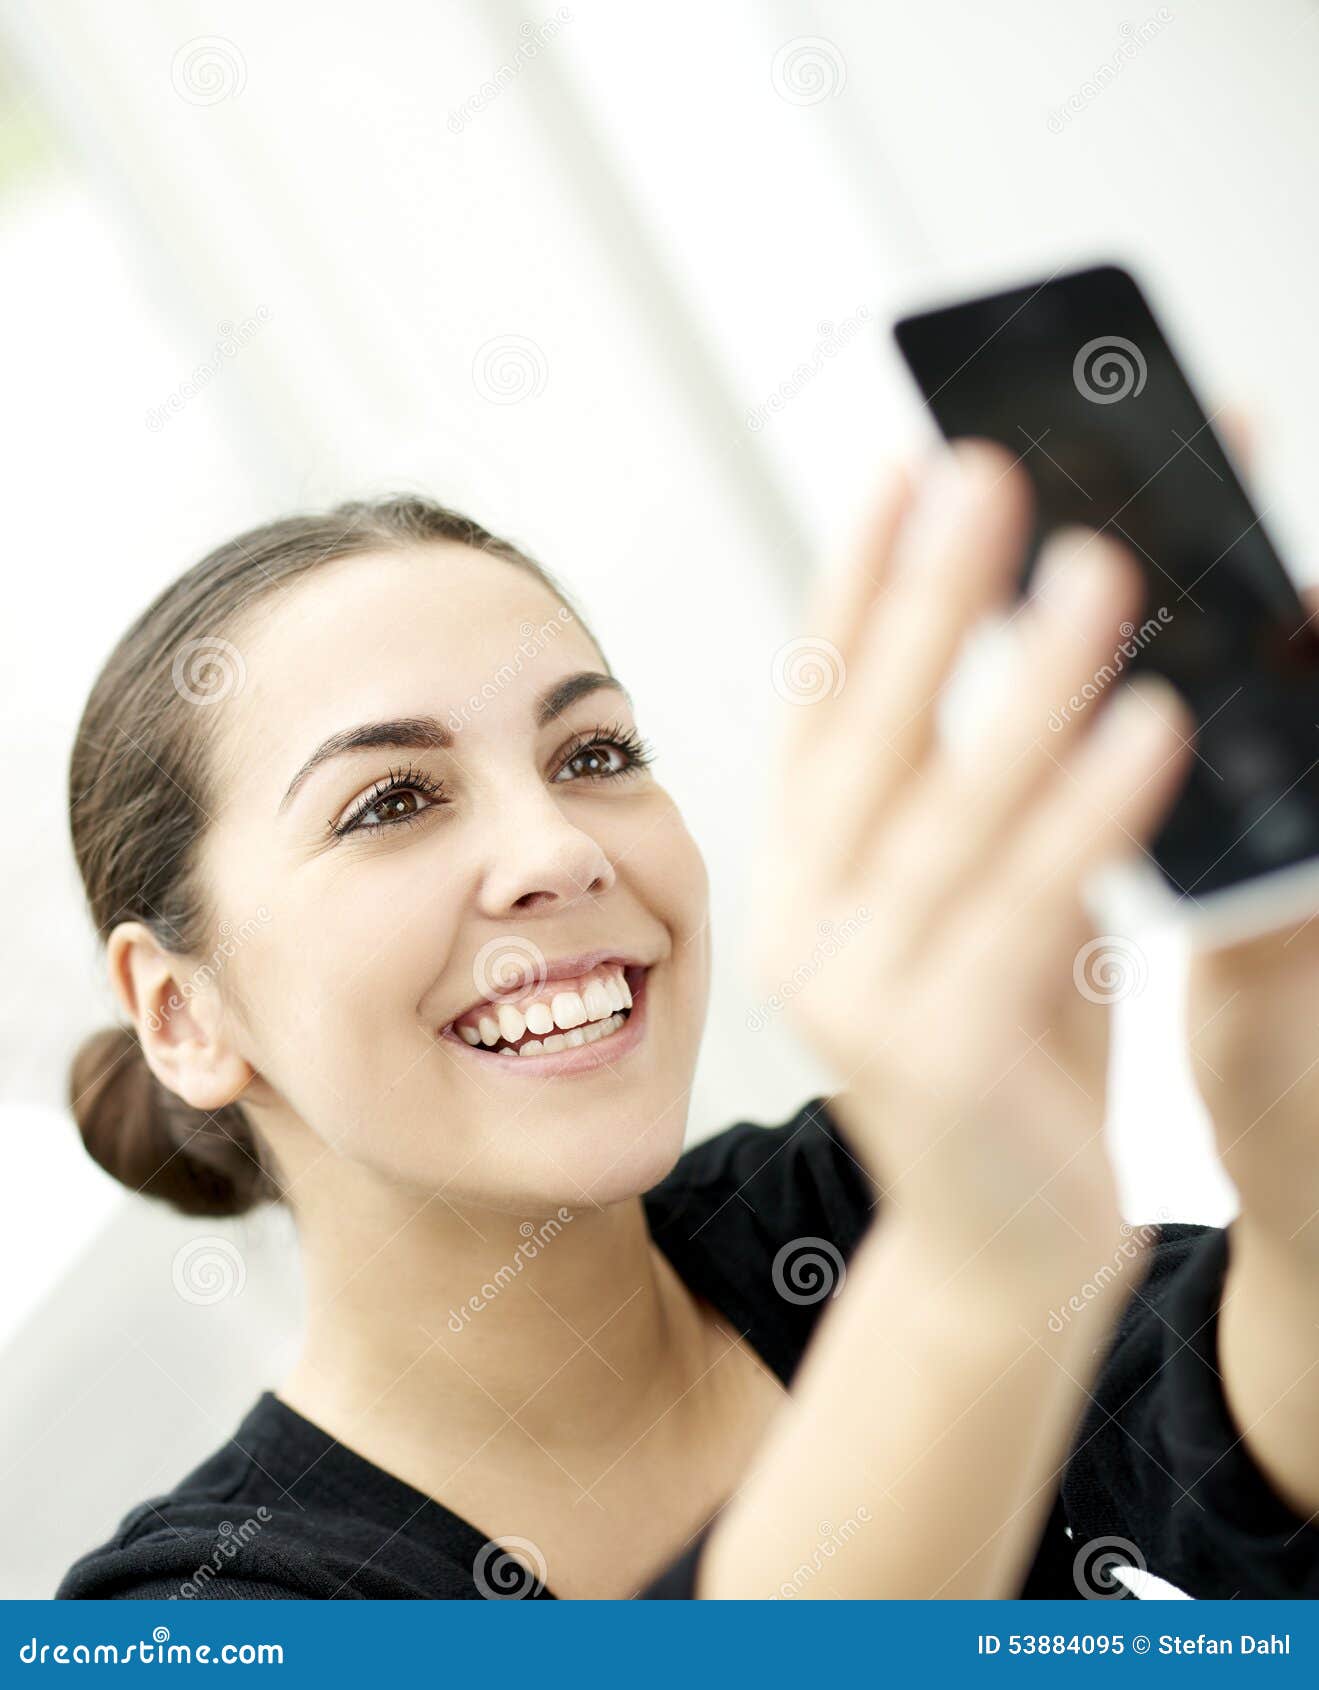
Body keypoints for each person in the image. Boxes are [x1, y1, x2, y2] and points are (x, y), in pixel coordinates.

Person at [54, 443, 1319, 1600]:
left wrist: (1292, 1133)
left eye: (592, 754)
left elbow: (1238, 1454)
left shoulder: (845, 1205)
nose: (557, 848)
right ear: (183, 1014)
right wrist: (970, 1281)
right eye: (390, 801)